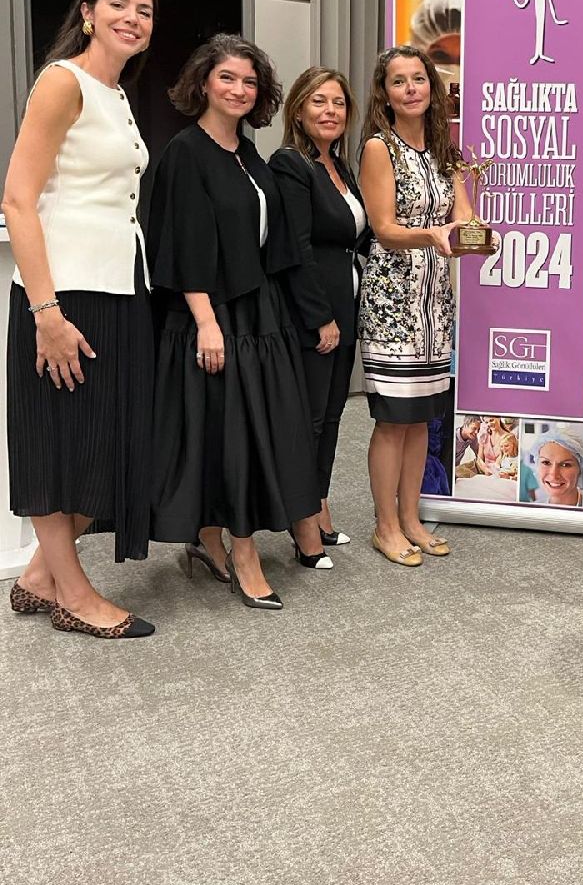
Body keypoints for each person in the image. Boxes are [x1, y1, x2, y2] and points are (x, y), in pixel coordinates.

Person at [3, 0, 157, 640]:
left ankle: (41, 576)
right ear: (88, 13)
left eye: (145, 10)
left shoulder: (115, 94)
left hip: (117, 287)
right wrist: (46, 313)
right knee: (55, 444)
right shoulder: (62, 81)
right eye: (119, 4)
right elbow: (18, 199)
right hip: (62, 294)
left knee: (107, 445)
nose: (133, 17)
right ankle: (73, 594)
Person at [147, 34, 321, 610]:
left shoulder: (247, 152)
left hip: (257, 309)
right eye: (227, 77)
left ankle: (210, 536)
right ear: (203, 82)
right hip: (214, 314)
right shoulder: (185, 152)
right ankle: (244, 554)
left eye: (249, 81)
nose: (239, 90)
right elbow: (181, 242)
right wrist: (206, 322)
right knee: (232, 436)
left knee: (247, 431)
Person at [358, 45, 474, 566]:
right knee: (392, 420)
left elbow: (463, 220)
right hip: (392, 303)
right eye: (399, 81)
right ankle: (385, 526)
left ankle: (411, 519)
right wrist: (434, 234)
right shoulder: (378, 148)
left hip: (435, 305)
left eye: (419, 79)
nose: (411, 89)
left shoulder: (445, 151)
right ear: (385, 93)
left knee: (421, 419)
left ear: (433, 86)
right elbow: (383, 228)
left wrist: (479, 237)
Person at [270, 67, 371, 550]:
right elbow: (296, 248)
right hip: (314, 314)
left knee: (332, 415)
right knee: (308, 419)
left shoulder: (339, 166)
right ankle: (302, 518)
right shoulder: (290, 164)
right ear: (298, 110)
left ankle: (319, 502)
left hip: (345, 309)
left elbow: (358, 237)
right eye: (319, 101)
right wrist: (320, 318)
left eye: (338, 103)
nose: (330, 111)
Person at [527, 428, 583, 506]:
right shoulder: (532, 510)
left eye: (565, 465)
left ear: (580, 469)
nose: (554, 475)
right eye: (546, 462)